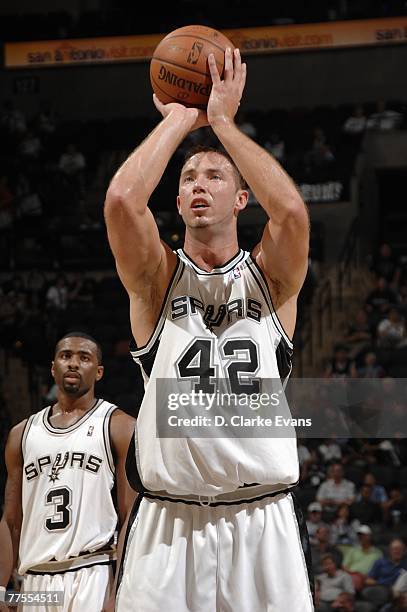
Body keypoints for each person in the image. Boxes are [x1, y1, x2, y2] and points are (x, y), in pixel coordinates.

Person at [105, 47, 312, 610]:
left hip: (262, 516)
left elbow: (292, 213)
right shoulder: (157, 281)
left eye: (215, 174)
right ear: (177, 200)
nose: (199, 181)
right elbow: (123, 201)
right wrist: (178, 119)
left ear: (242, 198)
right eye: (189, 176)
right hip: (168, 523)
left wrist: (222, 123)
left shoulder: (271, 278)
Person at [0, 332, 136, 612]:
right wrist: (3, 589)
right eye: (65, 356)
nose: (73, 363)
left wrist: (118, 591)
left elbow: (130, 520)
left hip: (92, 572)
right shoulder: (21, 434)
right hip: (35, 578)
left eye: (84, 358)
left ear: (98, 372)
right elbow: (11, 520)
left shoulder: (119, 426)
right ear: (53, 368)